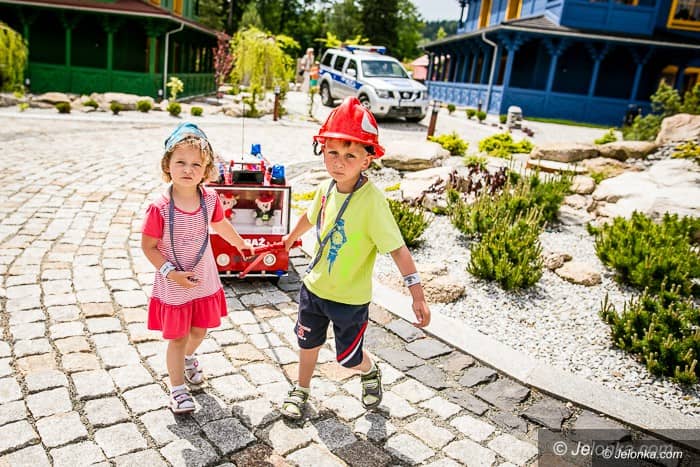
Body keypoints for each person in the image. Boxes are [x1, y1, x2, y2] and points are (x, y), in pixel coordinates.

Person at [279, 97, 431, 420]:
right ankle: (301, 389)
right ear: (322, 151)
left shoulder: (373, 203)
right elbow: (310, 216)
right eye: (332, 152)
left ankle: (369, 369)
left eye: (350, 155)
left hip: (350, 300)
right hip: (314, 289)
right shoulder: (326, 188)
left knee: (347, 358)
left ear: (367, 160)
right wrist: (291, 237)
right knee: (307, 343)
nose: (339, 163)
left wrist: (416, 293)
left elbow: (398, 249)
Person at [141, 122, 253, 414]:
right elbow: (148, 247)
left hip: (203, 277)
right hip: (174, 280)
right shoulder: (159, 207)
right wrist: (171, 273)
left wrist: (240, 243)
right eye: (180, 162)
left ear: (206, 170)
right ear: (167, 165)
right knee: (177, 336)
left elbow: (219, 224)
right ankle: (177, 390)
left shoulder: (210, 198)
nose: (188, 170)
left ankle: (188, 358)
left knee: (200, 330)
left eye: (196, 164)